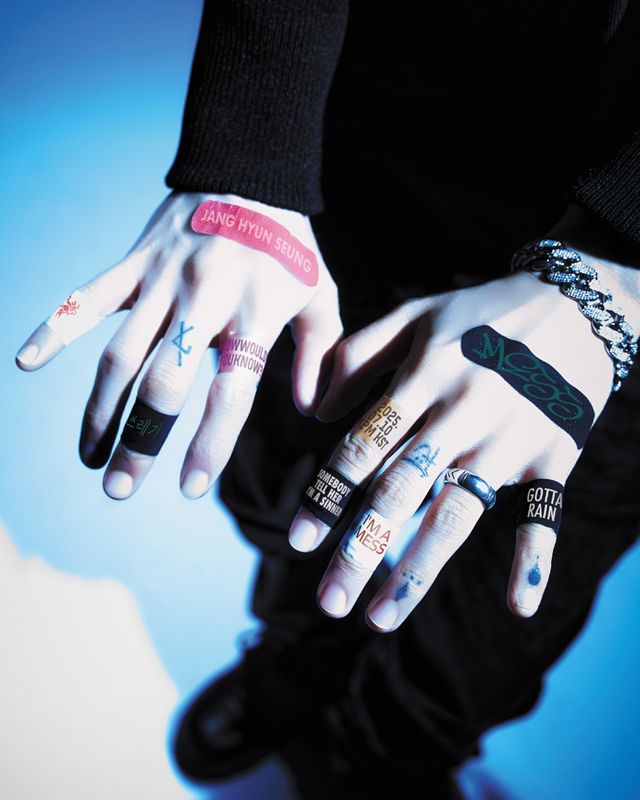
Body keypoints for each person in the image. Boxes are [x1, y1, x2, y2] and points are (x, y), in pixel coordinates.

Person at [15, 2, 640, 797]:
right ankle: (303, 649)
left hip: (613, 292)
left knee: (514, 584)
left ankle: (385, 752)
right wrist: (249, 161)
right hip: (387, 138)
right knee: (292, 454)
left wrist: (617, 256)